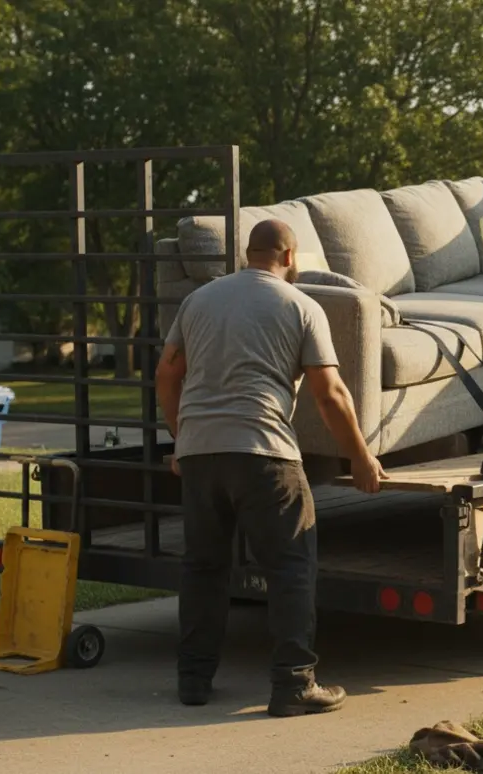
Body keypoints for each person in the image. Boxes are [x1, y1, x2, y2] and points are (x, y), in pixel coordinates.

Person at [155, 218, 387, 717]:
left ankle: (193, 680)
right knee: (290, 568)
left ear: (249, 254)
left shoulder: (199, 301)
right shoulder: (301, 305)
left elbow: (167, 373)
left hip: (200, 455)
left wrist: (183, 437)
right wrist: (361, 456)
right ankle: (294, 684)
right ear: (290, 256)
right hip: (264, 452)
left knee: (203, 568)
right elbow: (330, 394)